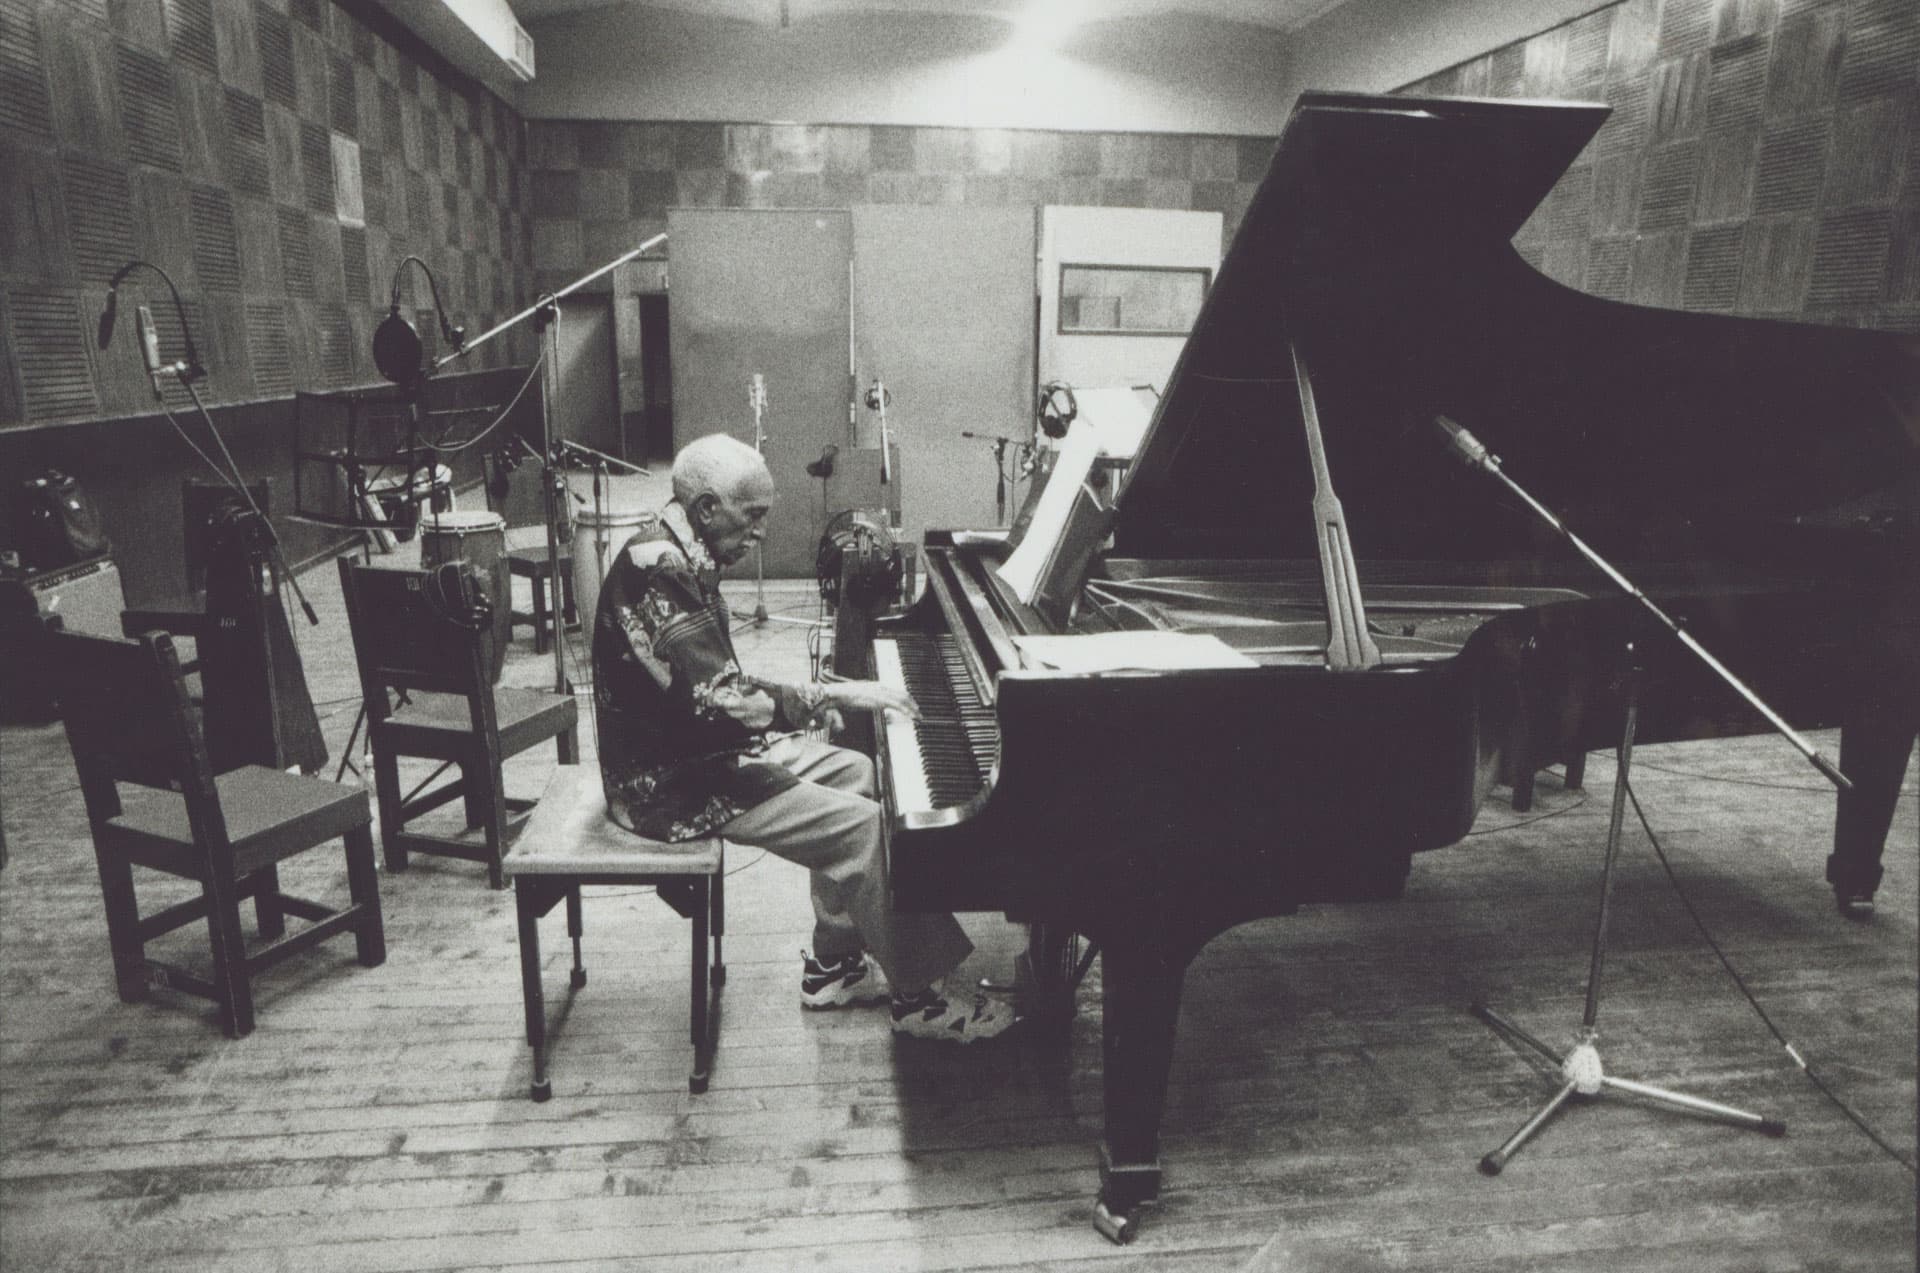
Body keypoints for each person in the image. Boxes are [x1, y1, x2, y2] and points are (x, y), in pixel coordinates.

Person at [590, 433, 1014, 1041]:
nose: (760, 532)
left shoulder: (681, 547)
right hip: (669, 783)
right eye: (752, 516)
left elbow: (715, 689)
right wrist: (834, 695)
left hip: (693, 749)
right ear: (708, 508)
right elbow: (727, 702)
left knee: (857, 772)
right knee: (865, 831)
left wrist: (811, 708)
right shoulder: (659, 569)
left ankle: (833, 965)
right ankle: (920, 999)